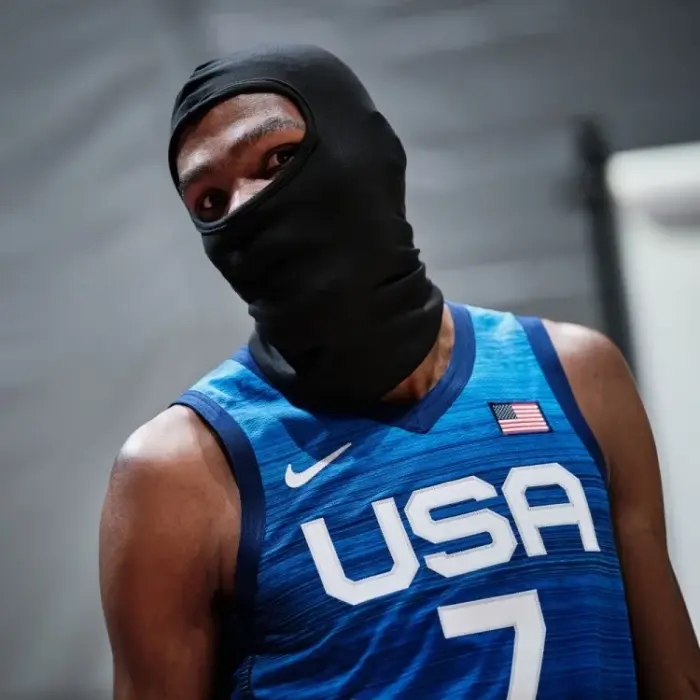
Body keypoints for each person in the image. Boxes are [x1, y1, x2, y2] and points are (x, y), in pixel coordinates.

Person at [99, 45, 700, 700]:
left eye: (277, 160)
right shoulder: (181, 473)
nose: (243, 207)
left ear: (366, 151)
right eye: (210, 201)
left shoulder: (576, 376)